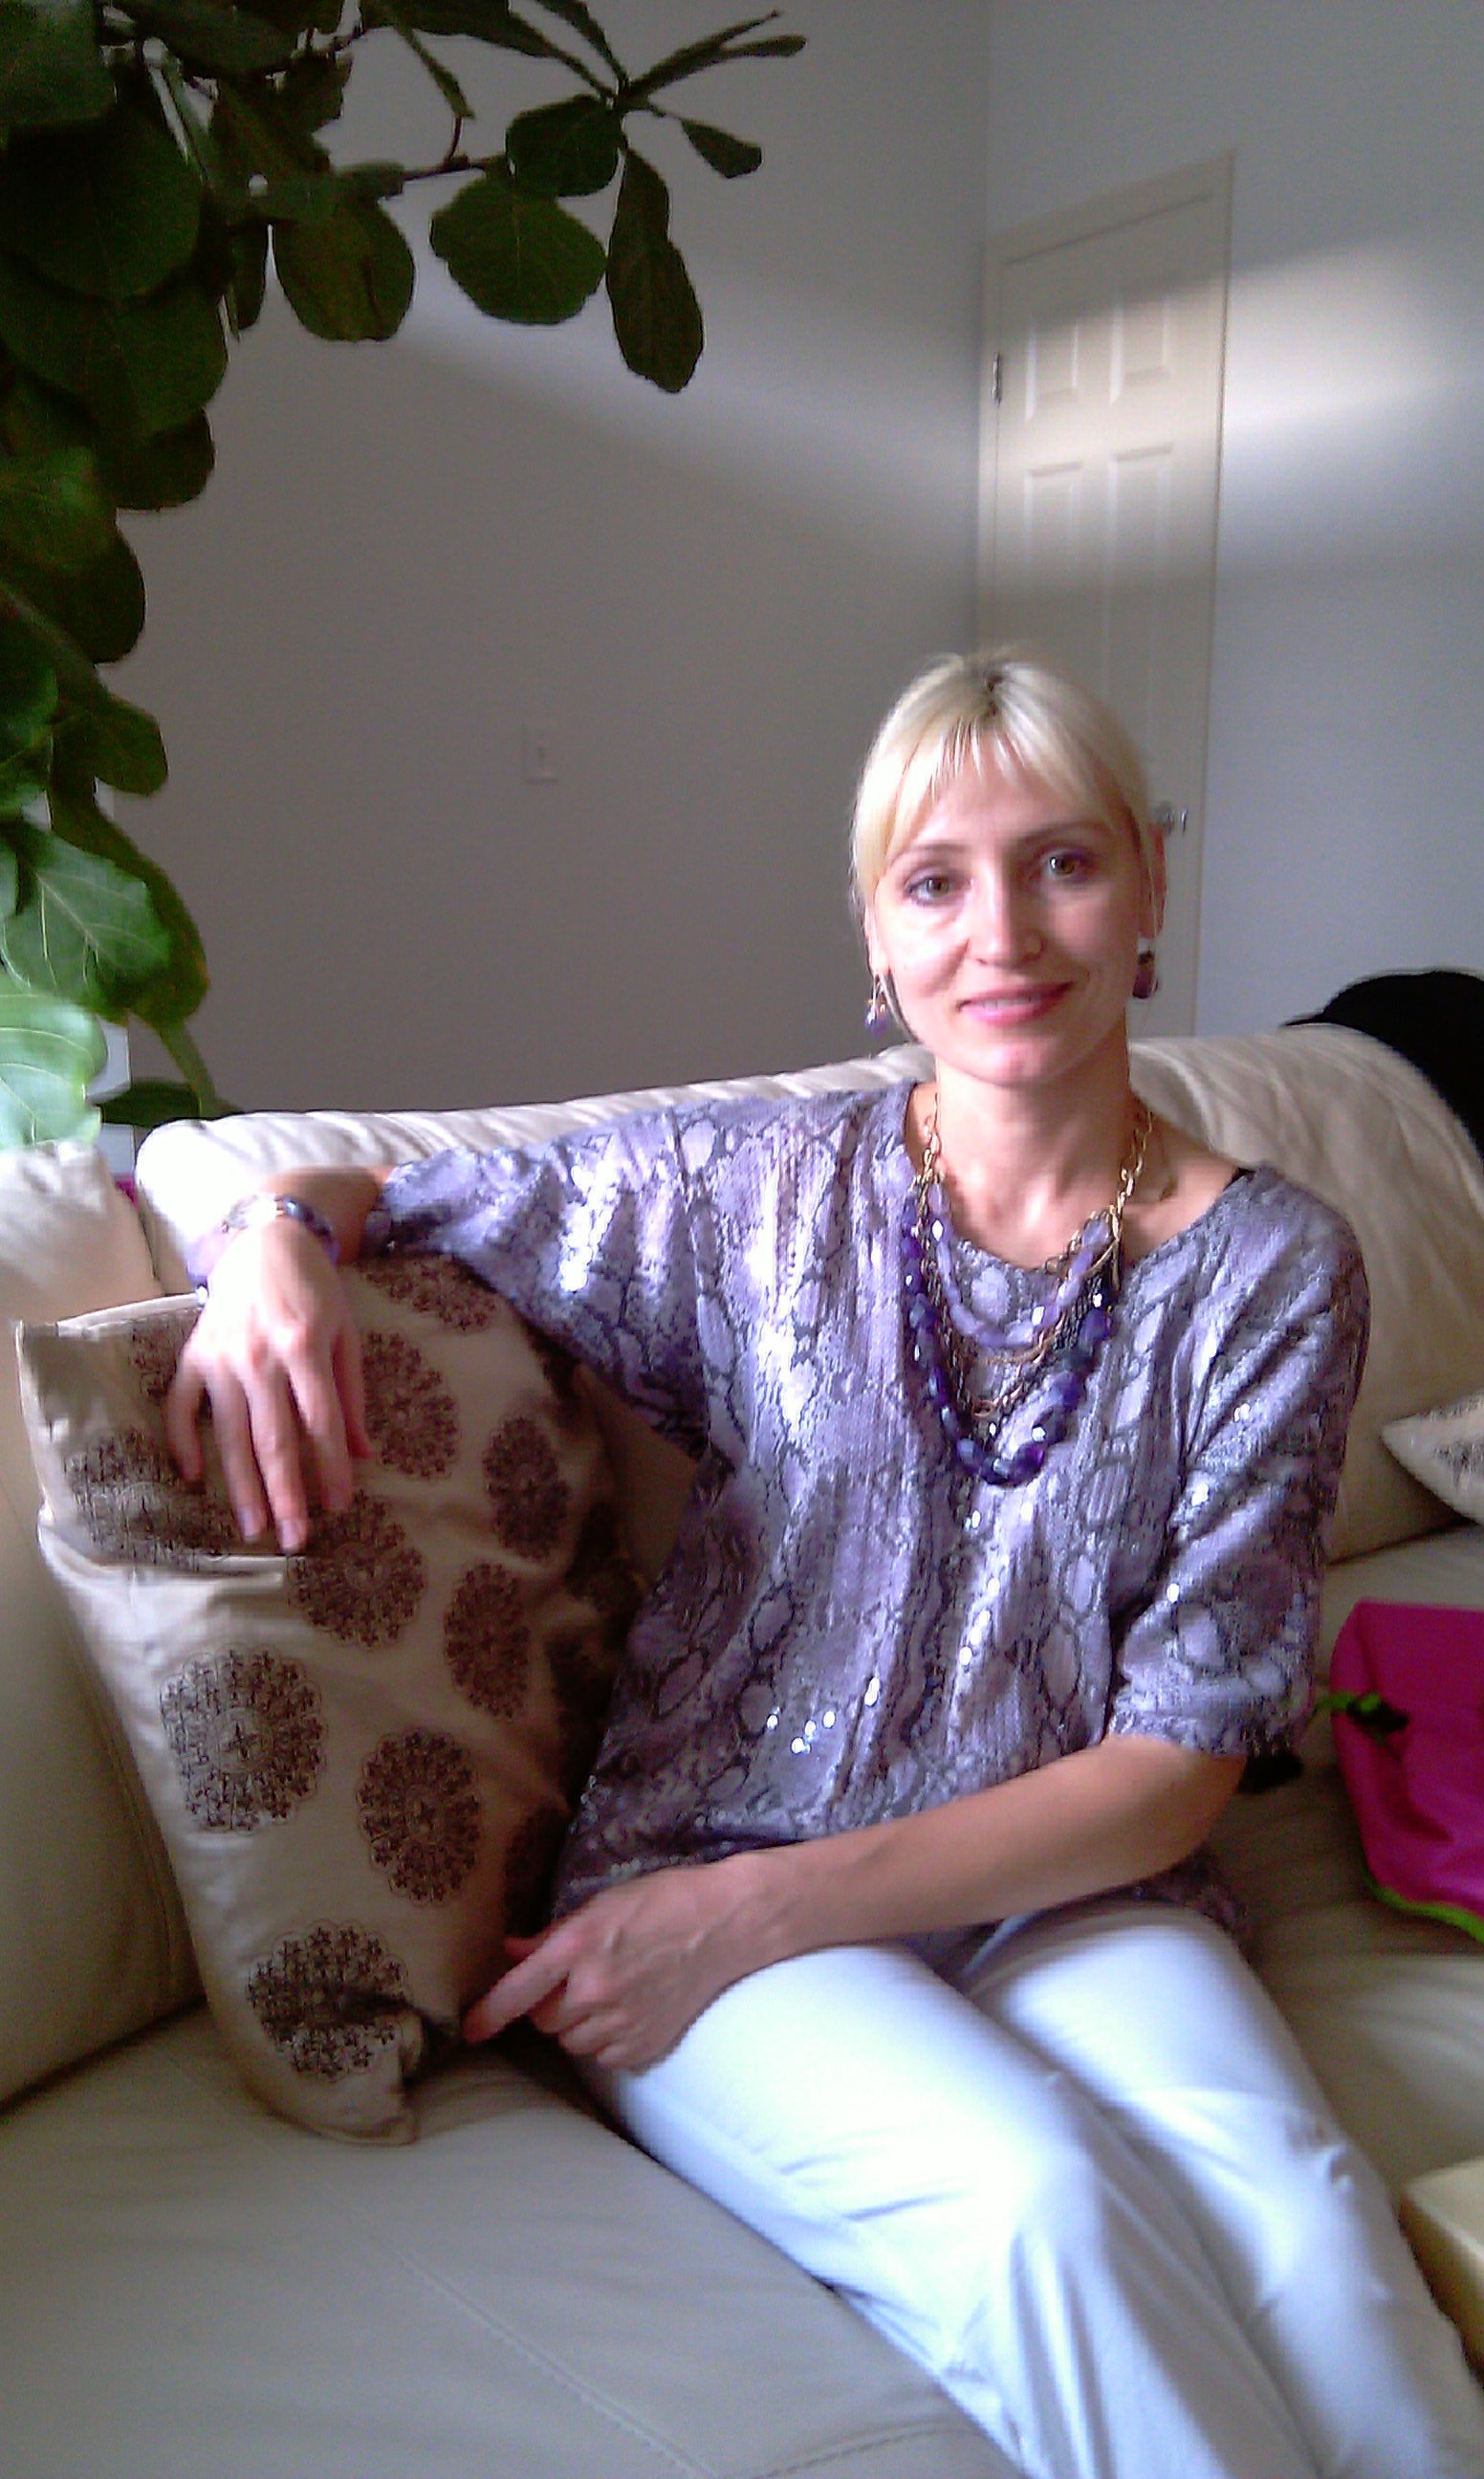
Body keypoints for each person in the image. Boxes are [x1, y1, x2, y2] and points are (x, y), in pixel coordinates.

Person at [167, 651, 1484, 2479]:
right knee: (1040, 2207)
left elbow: (1181, 1765)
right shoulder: (754, 1187)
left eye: (1064, 862)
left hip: (1061, 1880)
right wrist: (266, 1247)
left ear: (1150, 890)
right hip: (710, 1851)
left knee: (1308, 2216)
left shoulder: (1273, 1273)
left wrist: (766, 1913)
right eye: (935, 881)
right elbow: (327, 1178)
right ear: (875, 930)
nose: (1001, 933)